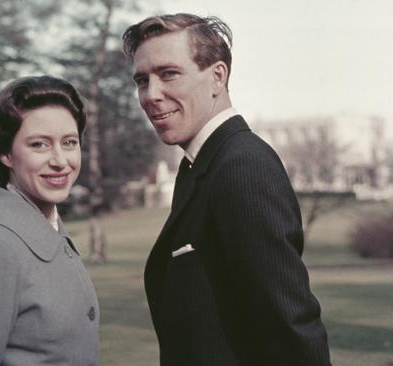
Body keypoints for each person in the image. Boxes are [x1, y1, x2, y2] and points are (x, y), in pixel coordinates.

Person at [122, 14, 331, 365]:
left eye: (168, 73)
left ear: (217, 76)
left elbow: (288, 323)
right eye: (142, 80)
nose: (151, 95)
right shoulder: (202, 165)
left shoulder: (241, 166)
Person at [0, 76, 99, 366]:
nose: (60, 160)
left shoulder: (47, 227)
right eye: (40, 145)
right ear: (6, 154)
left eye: (69, 142)